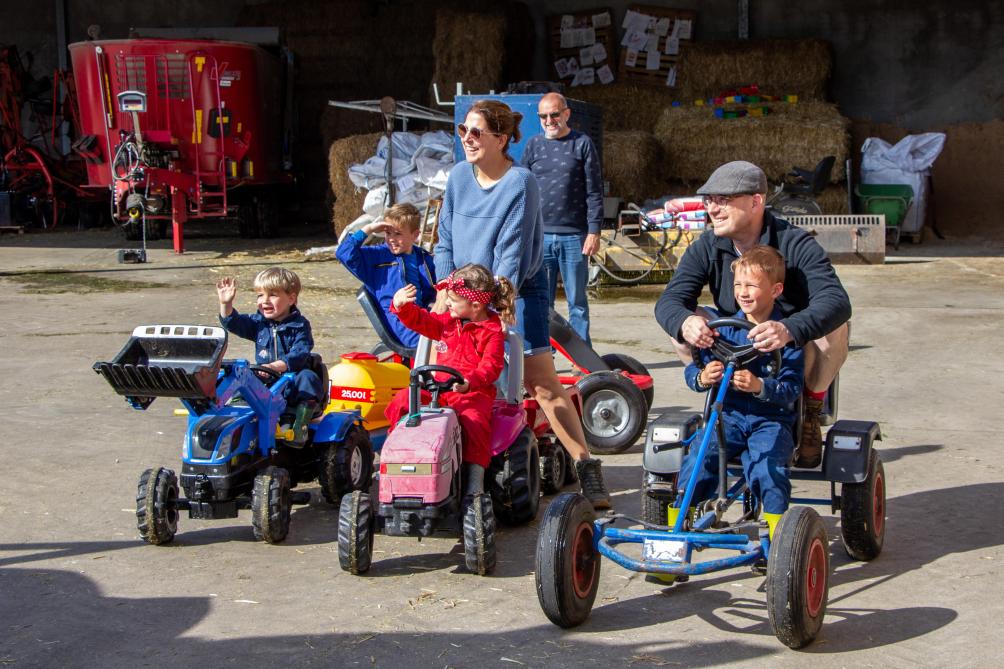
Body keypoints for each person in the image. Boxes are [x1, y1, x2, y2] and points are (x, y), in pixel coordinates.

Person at [434, 98, 611, 509]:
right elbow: (444, 240)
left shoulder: (520, 182)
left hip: (514, 289)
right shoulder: (459, 177)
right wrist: (445, 289)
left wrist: (496, 297)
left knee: (541, 383)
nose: (467, 139)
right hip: (462, 295)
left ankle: (586, 465)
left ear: (501, 138)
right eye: (463, 131)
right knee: (450, 377)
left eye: (476, 132)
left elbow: (511, 251)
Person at [654, 161, 850, 468]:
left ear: (756, 201)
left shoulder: (795, 243)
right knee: (681, 322)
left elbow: (837, 301)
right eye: (709, 201)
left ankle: (811, 409)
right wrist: (686, 322)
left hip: (788, 352)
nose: (712, 209)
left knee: (836, 327)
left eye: (723, 200)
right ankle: (715, 387)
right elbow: (669, 301)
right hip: (730, 343)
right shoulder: (707, 245)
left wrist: (789, 328)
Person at [673, 246, 804, 540]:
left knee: (767, 468)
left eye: (752, 286)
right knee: (698, 458)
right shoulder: (722, 331)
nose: (743, 293)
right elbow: (693, 372)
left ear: (776, 290)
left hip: (770, 421)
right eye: (738, 285)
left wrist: (761, 387)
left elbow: (792, 389)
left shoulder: (786, 337)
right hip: (728, 417)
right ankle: (678, 530)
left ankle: (776, 541)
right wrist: (703, 377)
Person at [383, 264, 515, 501]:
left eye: (453, 300)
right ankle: (397, 456)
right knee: (402, 400)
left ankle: (475, 480)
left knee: (474, 421)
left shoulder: (491, 331)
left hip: (471, 392)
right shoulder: (447, 322)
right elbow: (421, 321)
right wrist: (402, 307)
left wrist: (469, 382)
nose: (448, 304)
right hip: (437, 389)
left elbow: (492, 366)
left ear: (475, 306)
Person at [522, 92, 603, 345]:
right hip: (540, 237)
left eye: (554, 114)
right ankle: (544, 354)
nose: (549, 120)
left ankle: (581, 358)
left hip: (574, 236)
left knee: (577, 301)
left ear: (566, 114)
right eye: (543, 116)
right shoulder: (533, 145)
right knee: (540, 300)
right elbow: (521, 188)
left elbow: (594, 191)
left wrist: (594, 231)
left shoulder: (582, 143)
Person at [216, 267, 324, 445]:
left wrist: (275, 367)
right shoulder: (259, 324)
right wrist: (226, 304)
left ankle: (300, 426)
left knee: (308, 378)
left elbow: (300, 353)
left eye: (272, 295)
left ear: (291, 298)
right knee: (240, 377)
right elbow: (234, 323)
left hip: (292, 382)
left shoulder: (300, 325)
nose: (264, 301)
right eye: (260, 295)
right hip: (266, 381)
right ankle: (235, 415)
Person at [335, 202, 437, 349]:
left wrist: (433, 304)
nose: (391, 239)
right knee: (440, 345)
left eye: (398, 234)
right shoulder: (377, 257)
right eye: (388, 233)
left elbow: (432, 290)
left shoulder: (424, 258)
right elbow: (343, 253)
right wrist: (368, 229)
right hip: (402, 325)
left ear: (415, 235)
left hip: (424, 318)